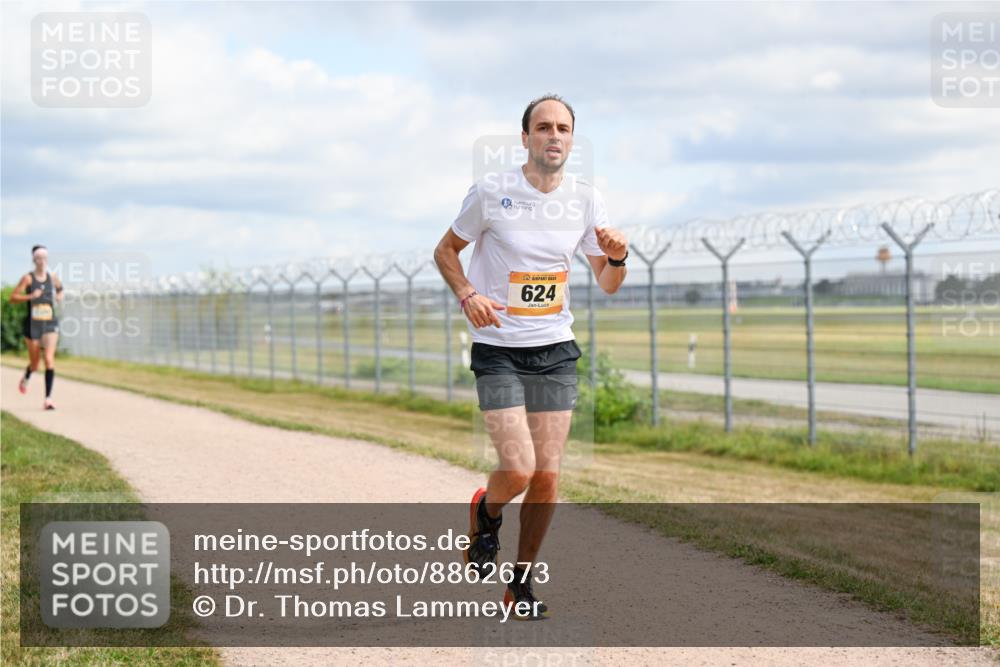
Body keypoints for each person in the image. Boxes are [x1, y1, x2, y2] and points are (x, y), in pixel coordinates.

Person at [433, 94, 628, 620]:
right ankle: (486, 510)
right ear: (526, 138)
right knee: (517, 468)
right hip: (499, 348)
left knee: (547, 474)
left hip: (555, 350)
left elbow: (608, 284)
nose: (554, 136)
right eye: (544, 127)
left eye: (563, 128)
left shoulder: (586, 201)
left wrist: (618, 255)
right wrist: (468, 294)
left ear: (572, 139)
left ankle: (520, 584)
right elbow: (445, 251)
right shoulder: (493, 191)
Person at [10, 245, 63, 410]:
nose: (42, 261)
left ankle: (48, 399)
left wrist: (59, 296)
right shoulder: (28, 278)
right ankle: (26, 376)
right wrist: (30, 296)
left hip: (49, 323)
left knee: (49, 359)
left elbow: (60, 289)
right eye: (39, 257)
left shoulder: (52, 277)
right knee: (35, 364)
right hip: (33, 325)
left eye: (45, 257)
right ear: (34, 259)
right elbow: (13, 298)